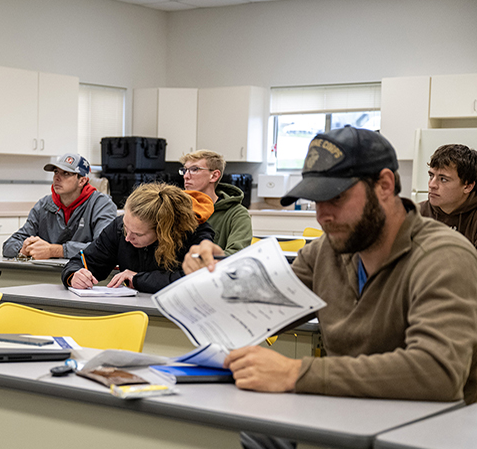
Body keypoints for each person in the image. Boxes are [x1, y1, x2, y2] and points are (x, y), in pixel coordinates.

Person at [183, 126, 477, 405]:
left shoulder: (443, 257)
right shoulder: (325, 253)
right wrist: (215, 275)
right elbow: (254, 311)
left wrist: (295, 373)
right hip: (346, 416)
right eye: (315, 201)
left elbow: (436, 372)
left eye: (336, 197)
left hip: (431, 430)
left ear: (385, 185)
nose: (323, 216)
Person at [62, 182, 215, 294]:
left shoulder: (193, 233)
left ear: (163, 232)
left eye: (138, 234)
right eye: (126, 228)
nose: (128, 238)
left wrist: (137, 279)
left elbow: (194, 279)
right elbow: (85, 261)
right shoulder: (118, 228)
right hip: (131, 311)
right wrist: (74, 275)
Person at [2, 153, 116, 260]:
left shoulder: (101, 205)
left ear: (82, 181)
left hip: (86, 275)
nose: (57, 177)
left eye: (66, 173)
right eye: (56, 172)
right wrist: (24, 249)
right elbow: (9, 245)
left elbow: (104, 248)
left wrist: (55, 251)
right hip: (46, 273)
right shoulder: (44, 205)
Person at [180, 149, 252, 255]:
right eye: (185, 170)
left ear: (214, 176)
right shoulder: (176, 208)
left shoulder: (237, 214)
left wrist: (201, 260)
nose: (186, 176)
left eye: (194, 169)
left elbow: (236, 255)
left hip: (210, 270)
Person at [419, 144, 477, 249]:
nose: (432, 185)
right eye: (431, 176)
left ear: (468, 186)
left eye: (443, 179)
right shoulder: (416, 214)